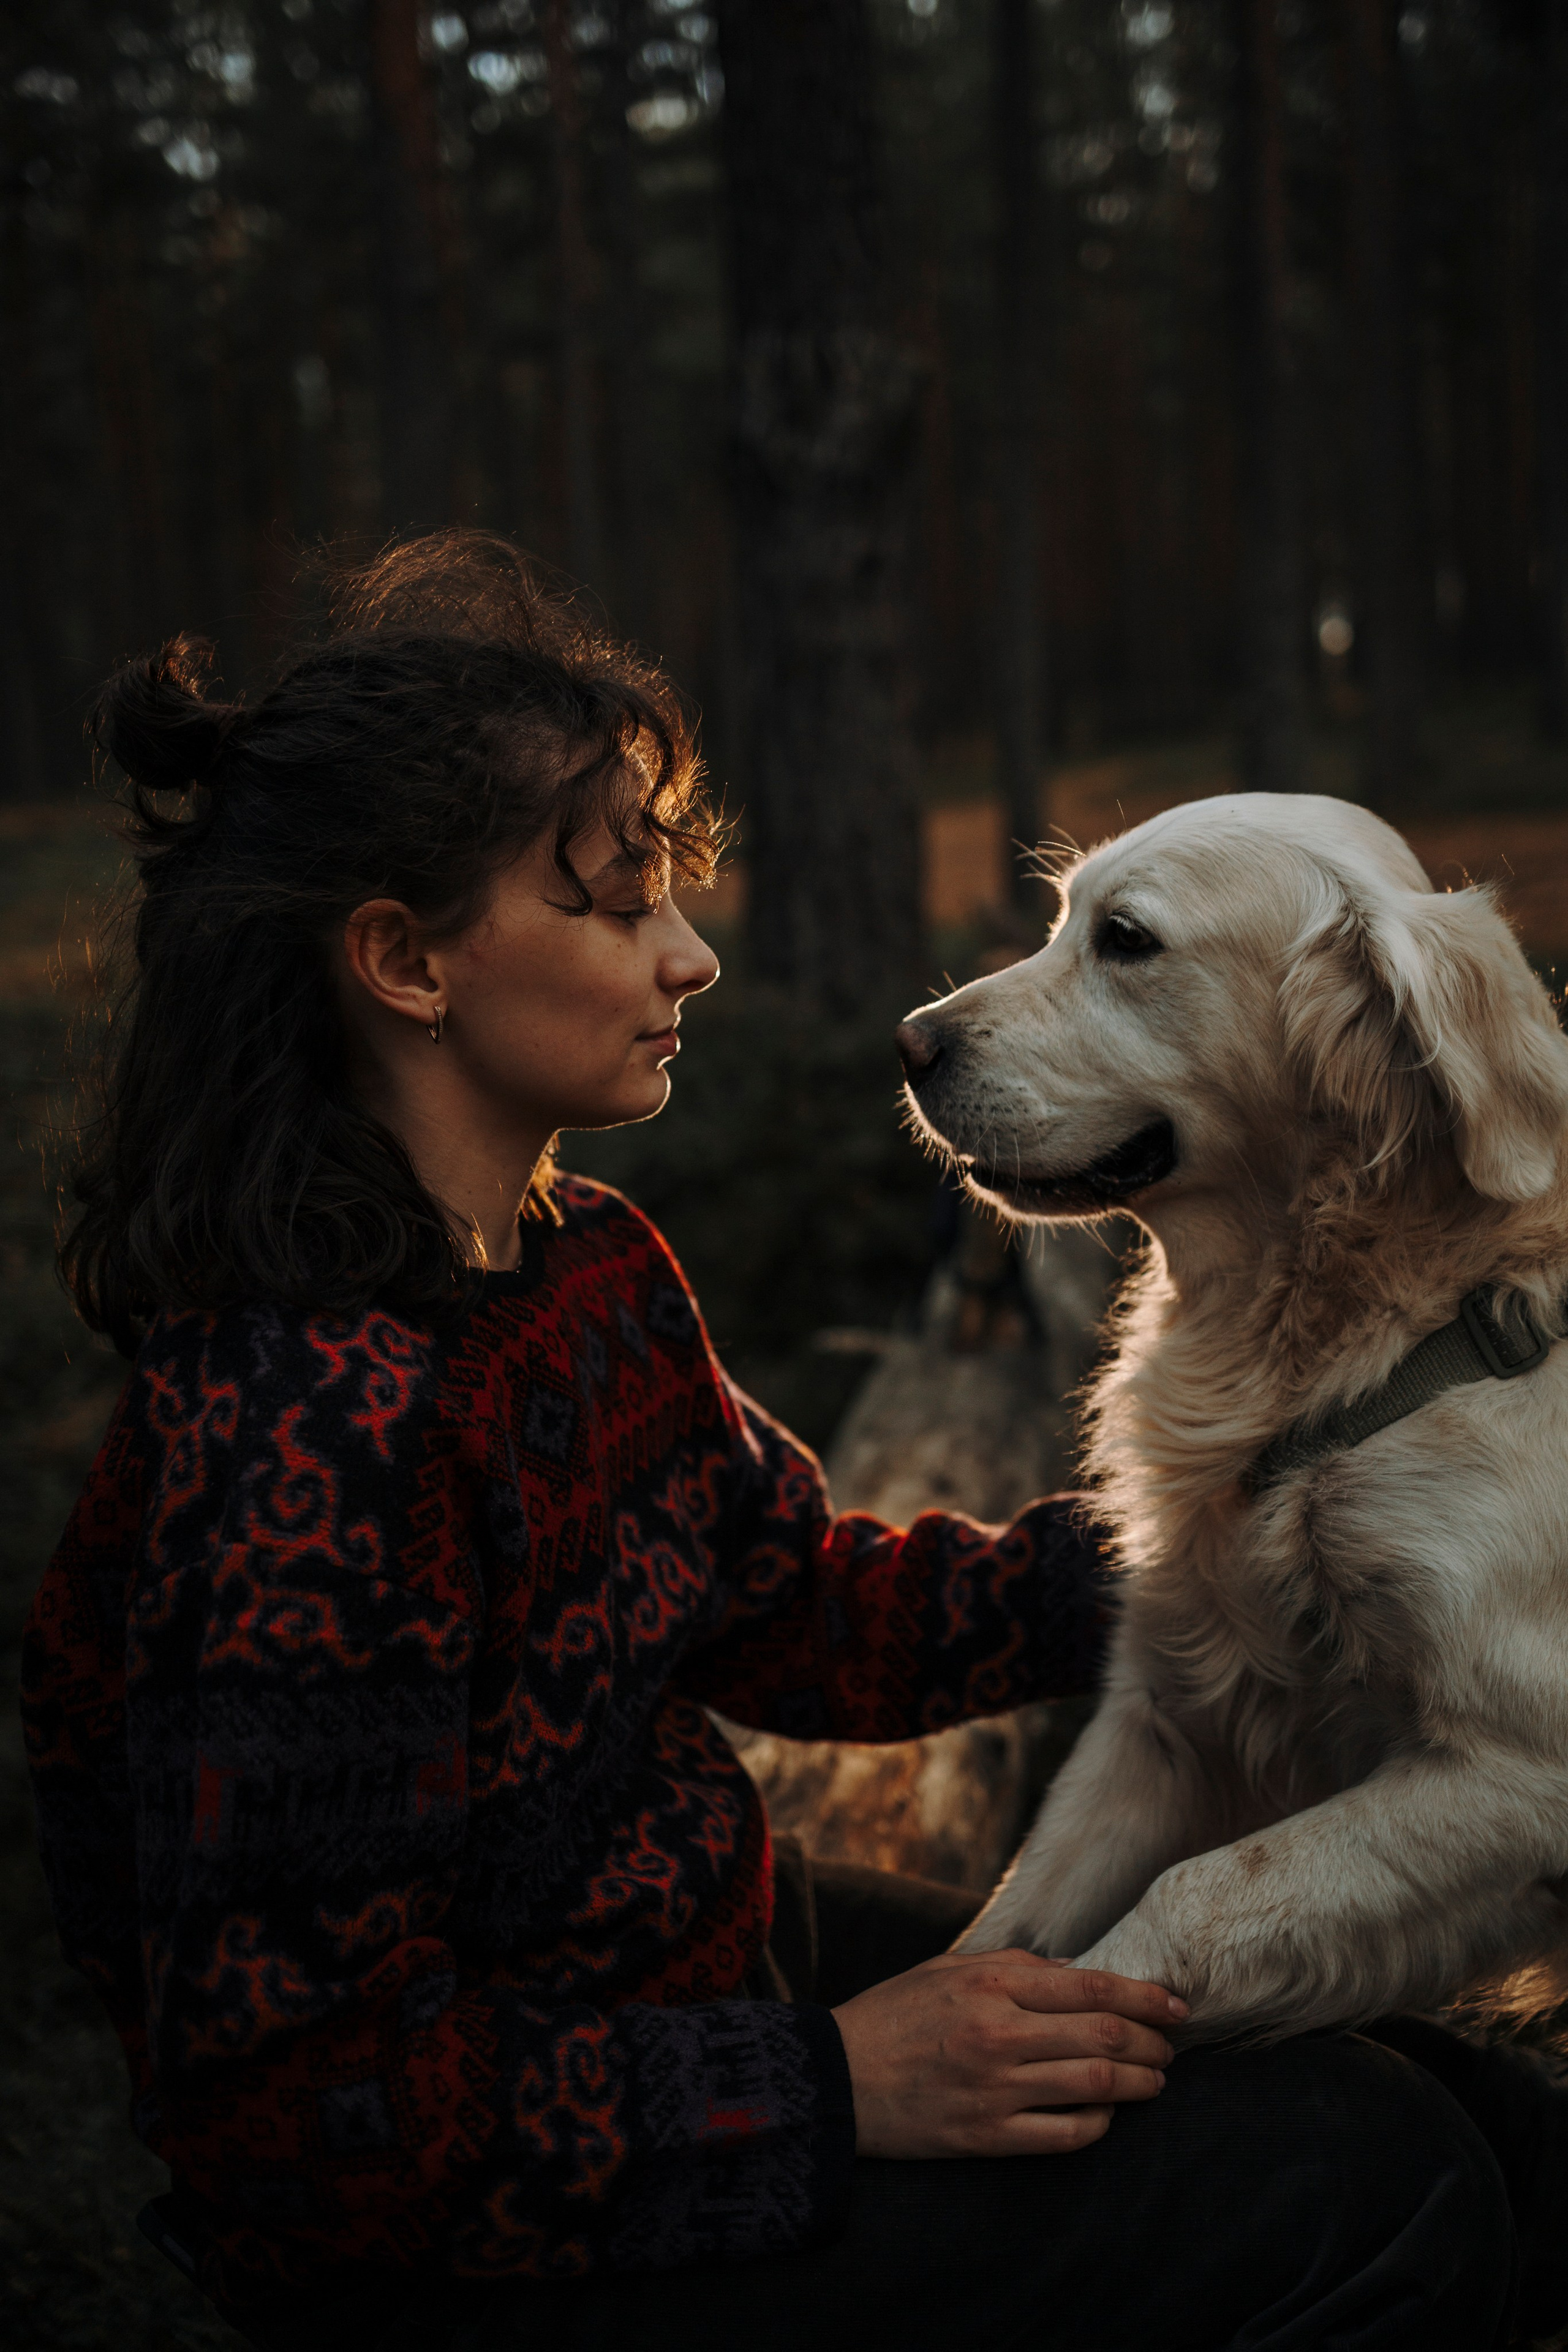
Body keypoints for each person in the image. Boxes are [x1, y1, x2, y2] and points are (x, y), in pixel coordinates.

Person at [19, 534, 1562, 2352]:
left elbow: (802, 1610)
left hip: (702, 1973)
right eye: (612, 903)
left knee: (1468, 2107)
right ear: (403, 961)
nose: (692, 952)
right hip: (526, 2239)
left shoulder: (581, 1264)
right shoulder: (306, 1451)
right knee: (1372, 2182)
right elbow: (302, 2131)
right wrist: (834, 2087)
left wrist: (1265, 1516)